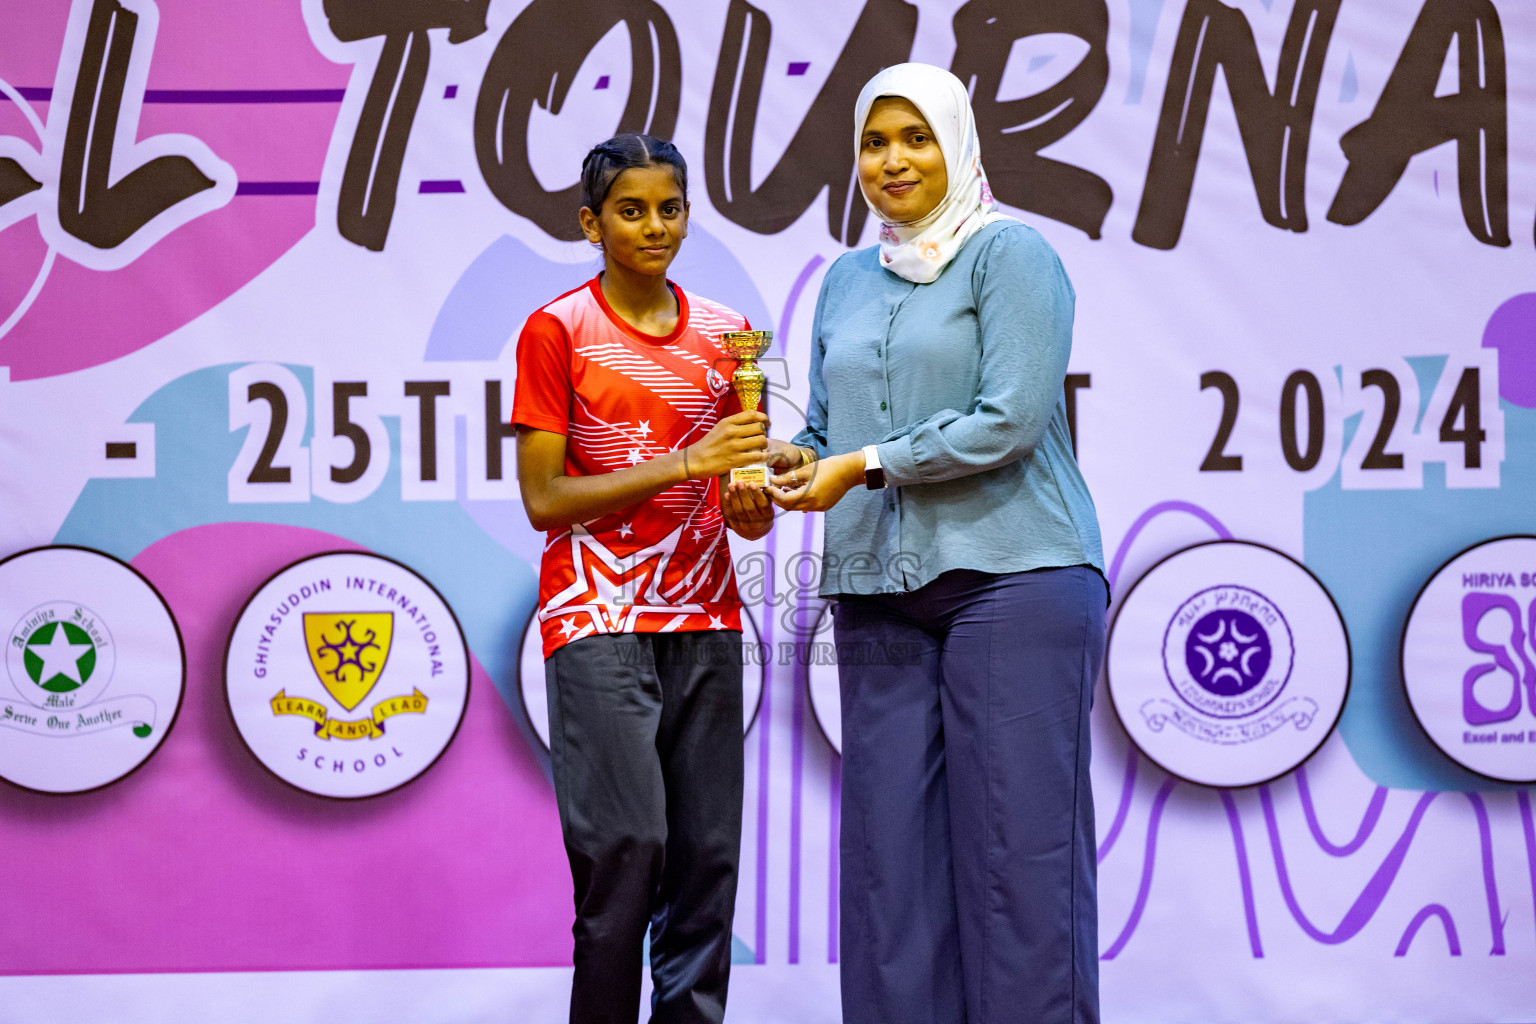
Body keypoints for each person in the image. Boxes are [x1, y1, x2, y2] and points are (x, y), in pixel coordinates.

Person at [766, 64, 1108, 1024]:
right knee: (887, 867)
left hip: (1016, 575)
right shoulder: (846, 276)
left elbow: (1011, 418)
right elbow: (831, 427)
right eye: (875, 143)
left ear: (957, 144)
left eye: (916, 138)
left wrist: (861, 465)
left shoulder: (1012, 255)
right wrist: (790, 471)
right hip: (876, 583)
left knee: (1019, 861)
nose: (892, 161)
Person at [512, 133, 774, 1024]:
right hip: (597, 617)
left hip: (708, 617)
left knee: (706, 862)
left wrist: (750, 503)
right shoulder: (559, 330)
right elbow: (545, 499)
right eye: (631, 210)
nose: (653, 226)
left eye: (669, 208)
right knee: (629, 846)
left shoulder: (730, 337)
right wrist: (684, 463)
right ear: (592, 223)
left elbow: (746, 493)